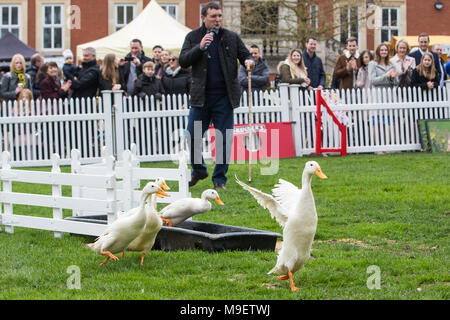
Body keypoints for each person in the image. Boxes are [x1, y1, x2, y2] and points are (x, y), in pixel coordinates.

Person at [179, 1, 254, 190]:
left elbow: (246, 54)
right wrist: (200, 47)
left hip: (224, 97)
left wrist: (248, 61)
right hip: (200, 97)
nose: (217, 20)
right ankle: (199, 170)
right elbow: (183, 61)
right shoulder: (193, 37)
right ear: (203, 18)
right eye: (213, 16)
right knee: (192, 136)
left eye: (219, 16)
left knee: (223, 139)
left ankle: (219, 179)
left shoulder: (231, 37)